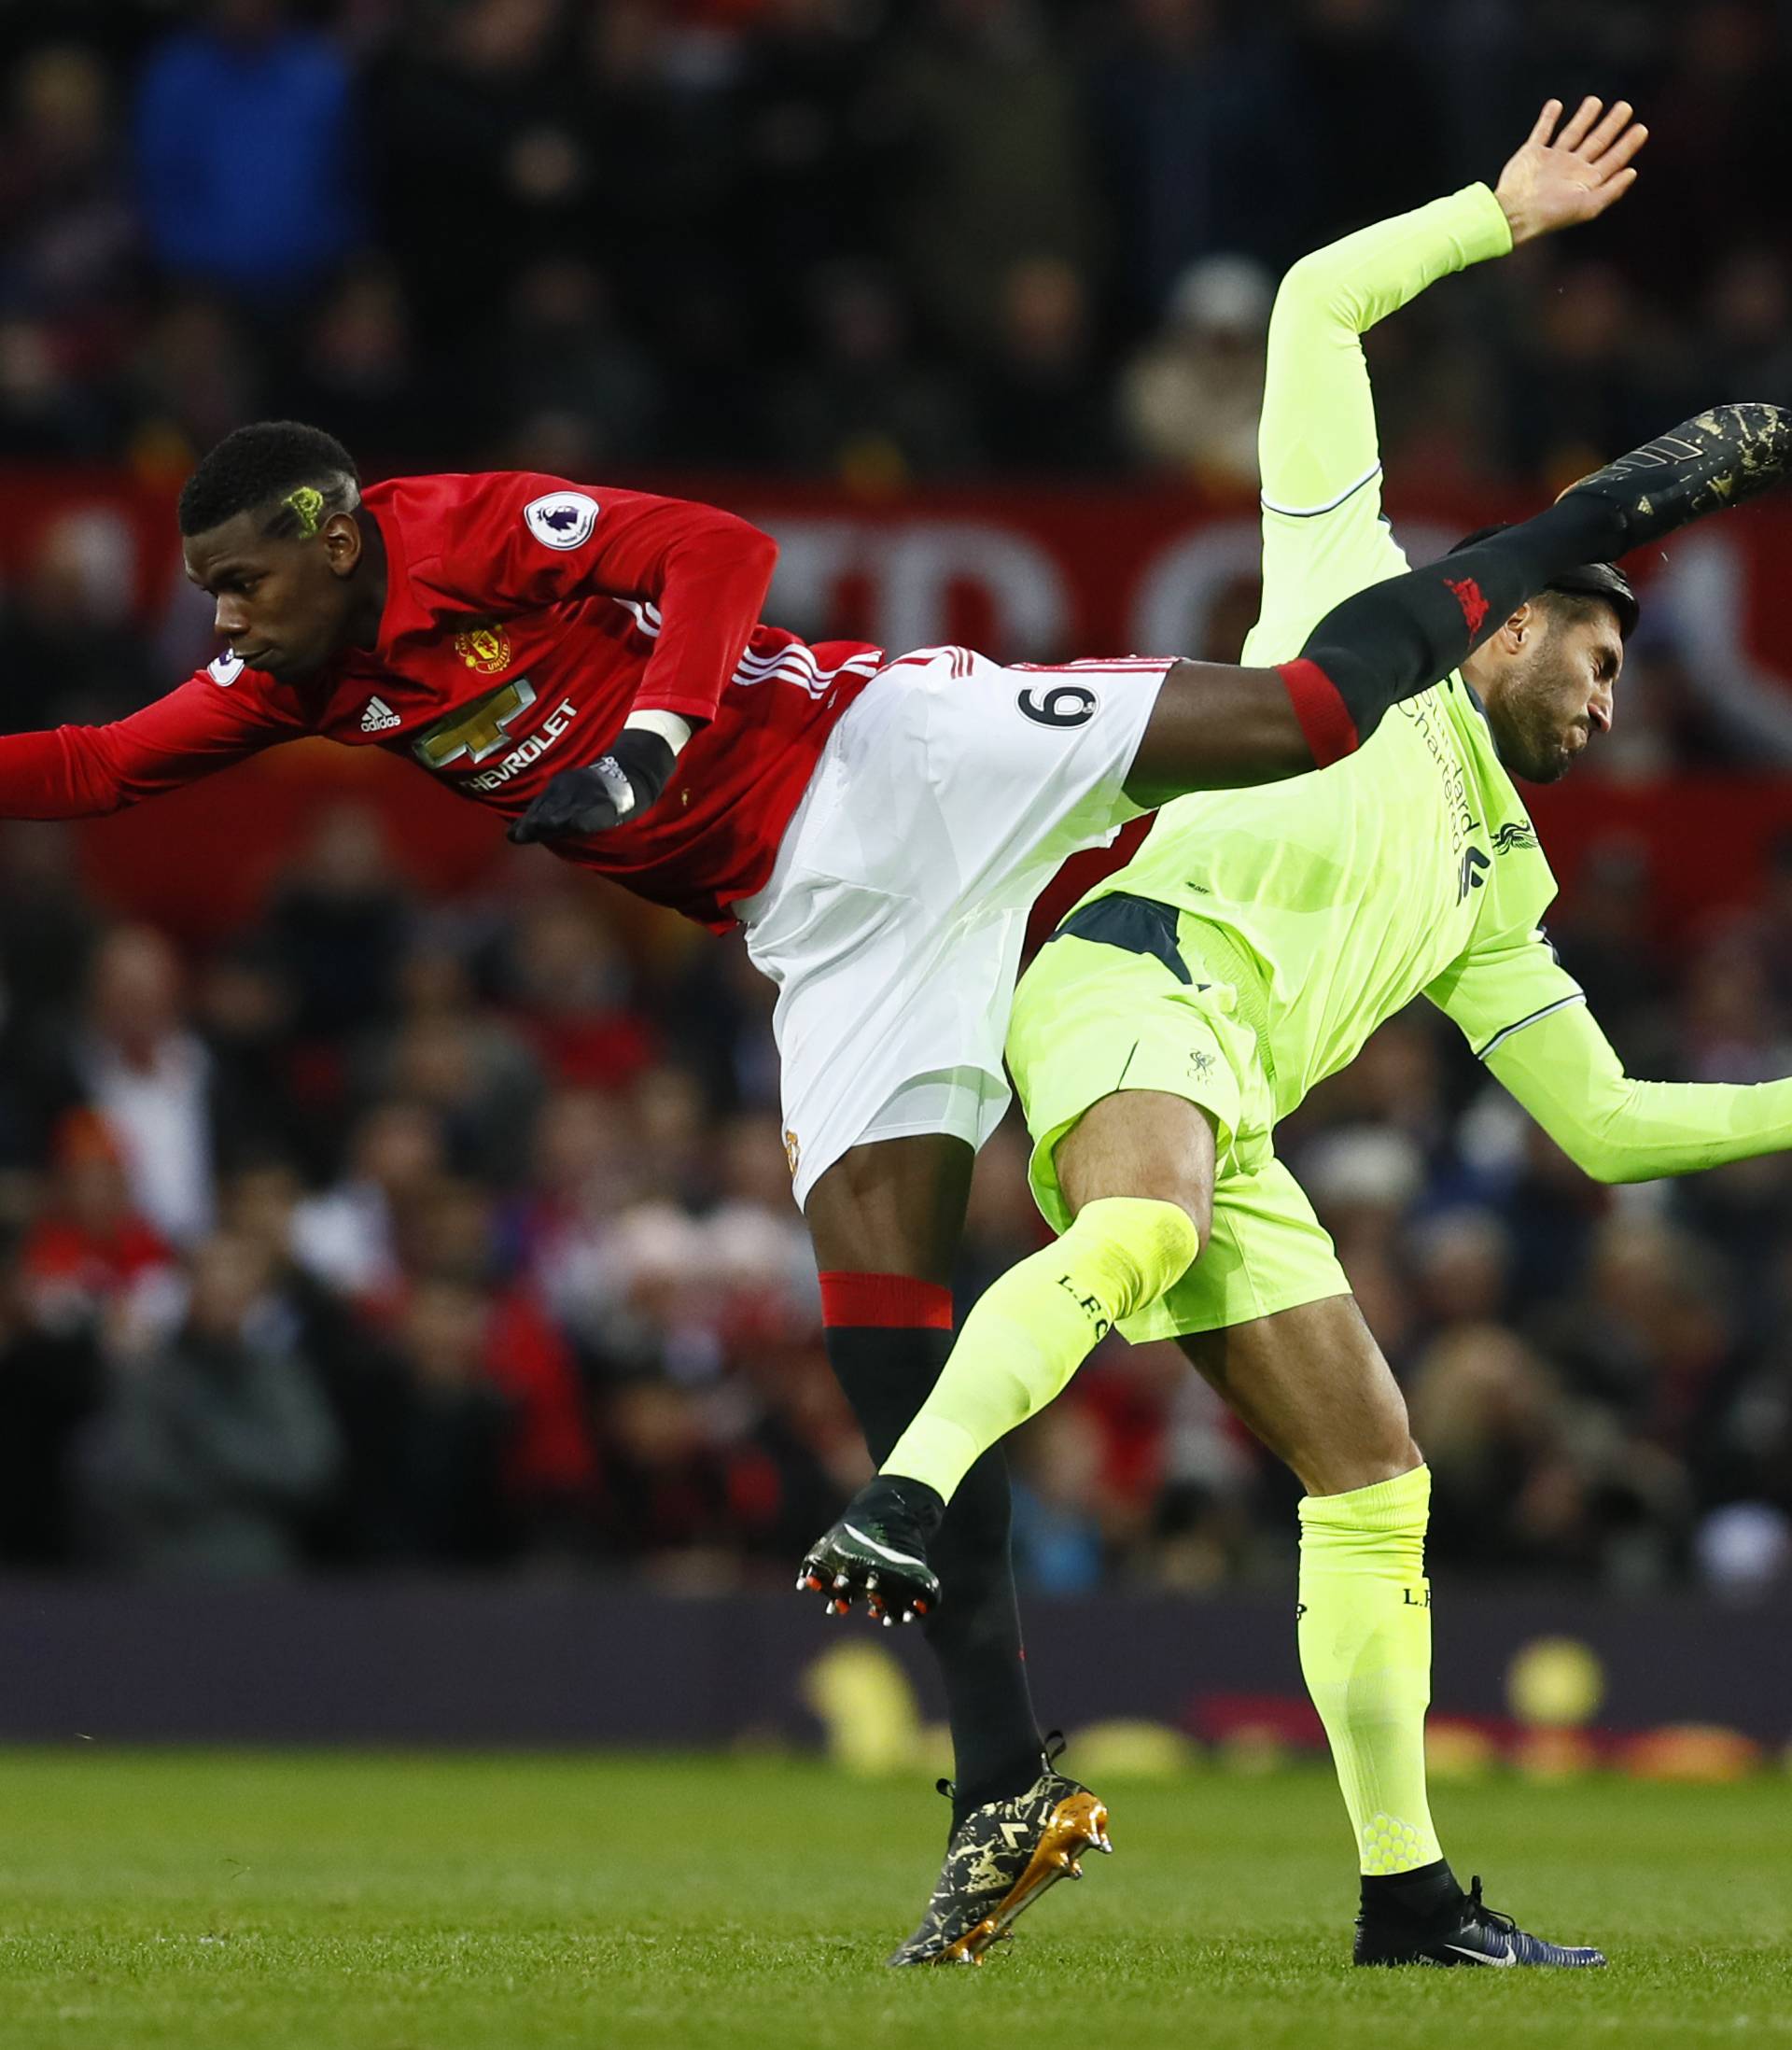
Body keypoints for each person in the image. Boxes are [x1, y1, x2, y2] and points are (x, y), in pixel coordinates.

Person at [0, 90, 1773, 1959]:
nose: (219, 624)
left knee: (1309, 711)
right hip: (826, 927)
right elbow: (104, 770)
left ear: (335, 534)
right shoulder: (294, 672)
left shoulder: (463, 531)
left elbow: (714, 555)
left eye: (239, 583)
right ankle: (1007, 1782)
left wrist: (658, 739)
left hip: (892, 753)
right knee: (881, 1352)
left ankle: (1589, 512)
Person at [800, 100, 1792, 1968]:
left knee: (1379, 1476)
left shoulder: (1504, 885)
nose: (1605, 707)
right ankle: (913, 1492)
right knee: (1145, 1222)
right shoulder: (1358, 606)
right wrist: (1497, 217)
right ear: (1519, 629)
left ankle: (1408, 1899)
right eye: (1597, 660)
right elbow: (1315, 317)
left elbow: (1612, 1126)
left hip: (1228, 1110)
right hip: (1125, 978)